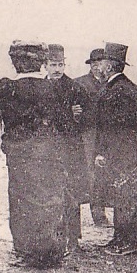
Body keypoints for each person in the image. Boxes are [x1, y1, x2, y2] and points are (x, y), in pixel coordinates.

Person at [0, 41, 68, 267]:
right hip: (50, 153)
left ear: (15, 63)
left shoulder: (7, 87)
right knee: (50, 199)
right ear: (41, 62)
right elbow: (65, 120)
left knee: (22, 202)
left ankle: (27, 251)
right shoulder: (55, 88)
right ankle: (52, 250)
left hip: (19, 154)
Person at [92, 42, 137, 255]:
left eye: (103, 62)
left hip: (124, 152)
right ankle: (121, 238)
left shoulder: (121, 90)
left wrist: (103, 151)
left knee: (126, 195)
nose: (99, 67)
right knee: (122, 195)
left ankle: (127, 242)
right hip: (127, 149)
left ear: (111, 65)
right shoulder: (122, 87)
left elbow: (116, 126)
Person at [45, 44, 92, 252]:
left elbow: (89, 118)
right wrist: (66, 113)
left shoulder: (74, 88)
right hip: (46, 150)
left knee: (71, 194)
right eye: (53, 64)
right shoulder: (39, 87)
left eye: (60, 64)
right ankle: (53, 237)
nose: (57, 69)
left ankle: (73, 239)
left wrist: (77, 117)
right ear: (45, 65)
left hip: (69, 149)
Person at [75, 48, 110, 227]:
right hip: (87, 134)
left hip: (106, 134)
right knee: (89, 172)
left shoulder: (111, 83)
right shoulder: (80, 83)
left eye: (101, 63)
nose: (98, 67)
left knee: (103, 172)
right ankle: (96, 214)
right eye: (94, 64)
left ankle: (100, 211)